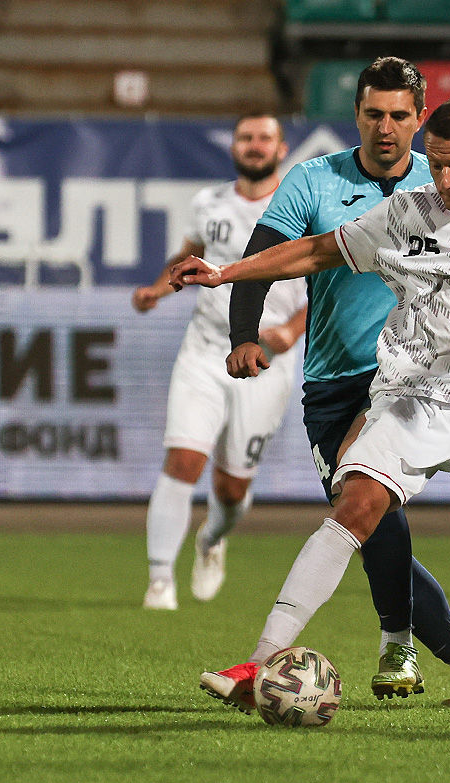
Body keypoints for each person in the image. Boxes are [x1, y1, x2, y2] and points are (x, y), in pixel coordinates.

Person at [175, 96, 450, 729]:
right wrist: (226, 275)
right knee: (356, 505)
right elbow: (315, 252)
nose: (444, 179)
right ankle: (259, 664)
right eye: (435, 165)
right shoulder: (407, 212)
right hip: (414, 392)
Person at [219, 58, 450, 709]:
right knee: (372, 524)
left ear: (419, 119)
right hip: (335, 379)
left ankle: (397, 646)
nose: (386, 127)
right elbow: (271, 258)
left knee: (369, 515)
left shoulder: (446, 183)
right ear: (357, 115)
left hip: (416, 379)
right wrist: (243, 333)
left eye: (400, 115)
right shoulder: (315, 180)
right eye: (374, 114)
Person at [132, 113, 307, 611]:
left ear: (282, 148)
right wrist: (157, 291)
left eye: (264, 138)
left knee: (231, 490)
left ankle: (212, 538)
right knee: (183, 459)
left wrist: (290, 332)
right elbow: (188, 256)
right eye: (246, 137)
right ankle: (160, 581)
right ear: (233, 146)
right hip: (206, 349)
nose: (254, 145)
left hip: (264, 360)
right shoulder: (208, 203)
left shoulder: (303, 206)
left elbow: (325, 281)